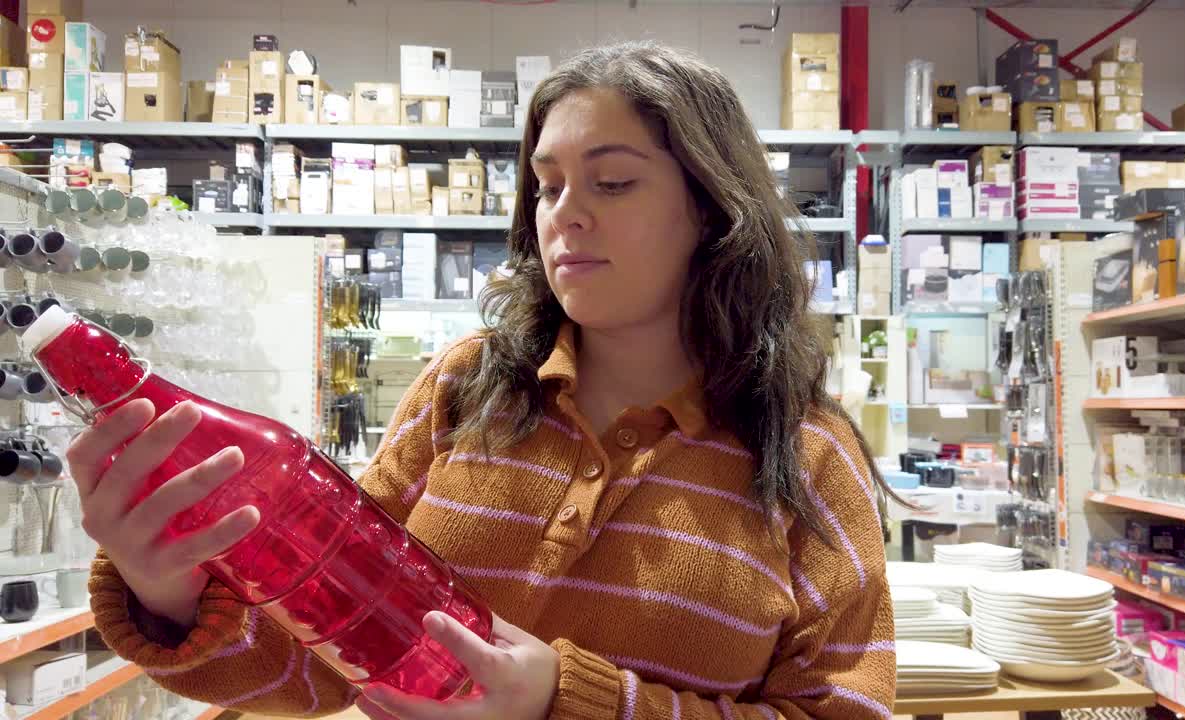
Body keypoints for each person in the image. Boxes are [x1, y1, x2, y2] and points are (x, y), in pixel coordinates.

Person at [80, 41, 896, 720]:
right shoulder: (464, 391)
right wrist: (174, 592)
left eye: (612, 182)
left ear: (715, 207)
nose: (564, 214)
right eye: (547, 185)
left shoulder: (807, 455)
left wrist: (570, 701)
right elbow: (317, 670)